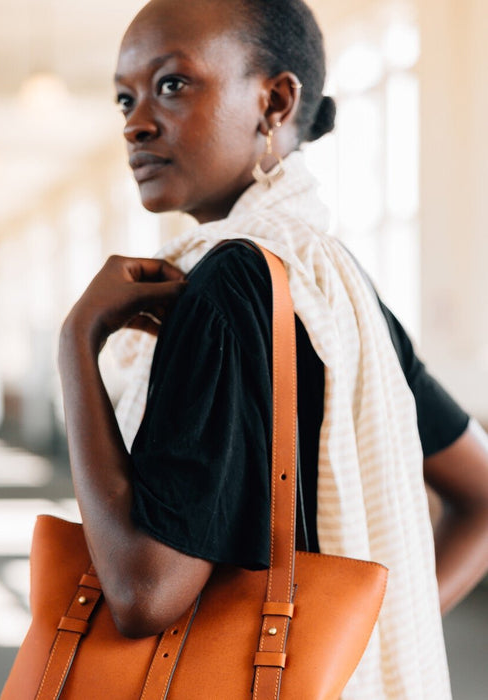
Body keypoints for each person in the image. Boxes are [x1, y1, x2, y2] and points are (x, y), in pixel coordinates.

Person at [57, 0, 488, 697]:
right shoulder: (330, 286)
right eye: (124, 98)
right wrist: (356, 645)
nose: (135, 123)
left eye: (171, 84)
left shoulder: (230, 282)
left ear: (275, 101)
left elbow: (143, 593)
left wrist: (78, 339)